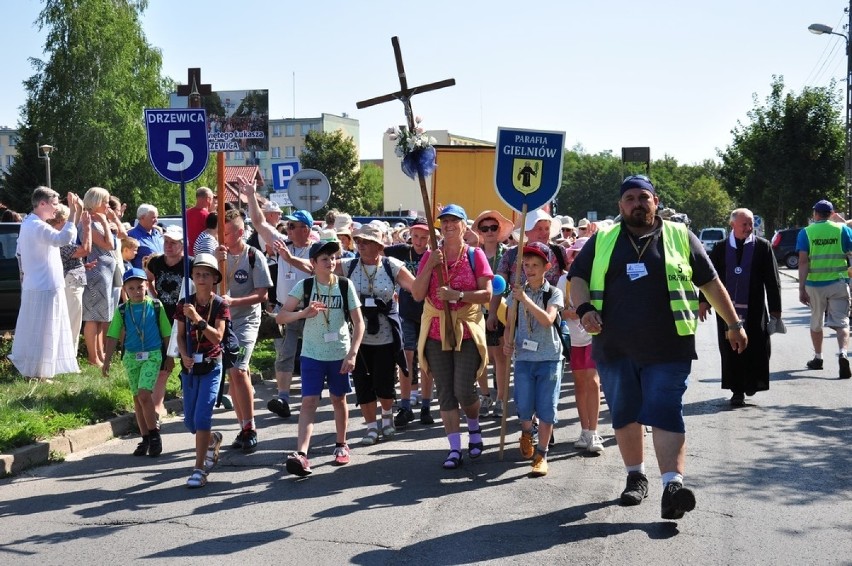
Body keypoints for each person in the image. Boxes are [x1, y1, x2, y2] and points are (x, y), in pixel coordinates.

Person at [568, 175, 747, 520]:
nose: (637, 203)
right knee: (626, 412)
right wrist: (586, 308)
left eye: (644, 197)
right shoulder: (603, 239)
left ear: (656, 201)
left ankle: (672, 487)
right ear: (621, 206)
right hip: (615, 346)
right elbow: (578, 277)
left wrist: (734, 323)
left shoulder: (681, 236)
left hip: (670, 346)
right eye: (630, 198)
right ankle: (635, 476)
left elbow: (710, 282)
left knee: (666, 408)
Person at [412, 204, 493, 469]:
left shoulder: (475, 254)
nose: (448, 225)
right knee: (445, 392)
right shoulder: (430, 255)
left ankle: (474, 427)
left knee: (463, 389)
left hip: (466, 329)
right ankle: (455, 449)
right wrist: (430, 265)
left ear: (463, 225)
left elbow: (487, 295)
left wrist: (458, 296)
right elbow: (416, 293)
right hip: (435, 330)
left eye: (454, 221)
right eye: (444, 221)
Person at [276, 239, 365, 476]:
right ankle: (302, 454)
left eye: (333, 257)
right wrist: (304, 313)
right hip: (312, 354)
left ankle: (341, 444)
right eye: (325, 259)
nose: (331, 262)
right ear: (313, 263)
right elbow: (281, 317)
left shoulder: (345, 286)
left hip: (339, 354)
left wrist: (352, 353)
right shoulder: (304, 286)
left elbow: (359, 323)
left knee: (339, 399)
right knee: (309, 402)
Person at [240, 178, 315, 420]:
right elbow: (260, 223)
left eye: (293, 227)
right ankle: (283, 397)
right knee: (284, 353)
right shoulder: (283, 243)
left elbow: (314, 268)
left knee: (314, 353)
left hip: (313, 309)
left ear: (306, 229)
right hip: (286, 309)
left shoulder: (318, 247)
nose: (288, 230)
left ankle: (310, 394)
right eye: (288, 226)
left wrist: (290, 259)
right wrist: (252, 196)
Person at [338, 224, 416, 445]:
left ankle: (387, 417)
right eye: (358, 241)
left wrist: (431, 265)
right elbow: (317, 267)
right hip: (357, 338)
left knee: (384, 383)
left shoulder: (392, 266)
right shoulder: (348, 265)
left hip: (386, 336)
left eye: (366, 241)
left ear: (378, 245)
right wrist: (288, 257)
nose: (360, 245)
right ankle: (371, 428)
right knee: (362, 384)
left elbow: (417, 288)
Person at [489, 208, 568, 419]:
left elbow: (566, 281)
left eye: (547, 228)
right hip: (519, 314)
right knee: (516, 363)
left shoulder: (558, 252)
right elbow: (499, 285)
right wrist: (493, 312)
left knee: (547, 376)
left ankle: (543, 423)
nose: (544, 232)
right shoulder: (511, 254)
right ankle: (510, 405)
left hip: (549, 314)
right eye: (539, 228)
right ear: (527, 231)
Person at [699, 208, 782, 405]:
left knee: (758, 347)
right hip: (726, 311)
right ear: (733, 225)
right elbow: (708, 277)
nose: (749, 228)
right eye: (744, 224)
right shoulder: (720, 248)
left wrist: (775, 310)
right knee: (730, 349)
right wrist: (703, 301)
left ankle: (752, 382)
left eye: (751, 224)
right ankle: (737, 390)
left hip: (754, 310)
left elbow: (772, 280)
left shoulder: (763, 247)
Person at [503, 242, 565, 476]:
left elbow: (548, 320)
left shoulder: (554, 292)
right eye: (526, 265)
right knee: (524, 405)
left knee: (547, 408)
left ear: (546, 267)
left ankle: (542, 454)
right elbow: (510, 323)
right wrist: (508, 341)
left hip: (549, 358)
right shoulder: (516, 293)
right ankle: (527, 432)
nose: (529, 269)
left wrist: (525, 299)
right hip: (524, 358)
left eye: (535, 265)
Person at [10, 188, 83, 379]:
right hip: (43, 286)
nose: (57, 208)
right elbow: (63, 239)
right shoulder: (37, 226)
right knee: (43, 331)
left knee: (40, 330)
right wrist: (75, 212)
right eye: (55, 203)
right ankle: (38, 373)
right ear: (42, 204)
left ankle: (39, 371)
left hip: (39, 284)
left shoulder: (31, 223)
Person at [217, 208, 273, 452]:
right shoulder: (217, 254)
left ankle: (250, 428)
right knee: (234, 374)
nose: (223, 237)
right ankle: (243, 426)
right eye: (221, 232)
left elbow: (262, 294)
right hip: (222, 322)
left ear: (239, 233)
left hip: (246, 321)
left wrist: (234, 302)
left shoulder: (253, 256)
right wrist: (213, 261)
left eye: (227, 233)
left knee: (238, 370)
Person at [102, 268, 172, 456]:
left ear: (147, 286)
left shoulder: (156, 306)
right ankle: (145, 438)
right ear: (125, 289)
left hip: (153, 354)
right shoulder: (123, 310)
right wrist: (106, 360)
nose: (136, 292)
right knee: (137, 399)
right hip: (131, 357)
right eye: (131, 288)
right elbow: (112, 335)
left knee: (143, 394)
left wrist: (170, 357)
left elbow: (167, 332)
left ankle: (154, 434)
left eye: (140, 287)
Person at [174, 254, 229, 488]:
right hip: (190, 368)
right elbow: (179, 335)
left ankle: (199, 469)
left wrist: (197, 319)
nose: (201, 278)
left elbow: (217, 337)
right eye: (197, 274)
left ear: (215, 278)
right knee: (191, 423)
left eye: (206, 274)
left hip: (211, 365)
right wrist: (184, 355)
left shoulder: (220, 305)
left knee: (203, 416)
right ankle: (211, 440)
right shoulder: (185, 303)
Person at [384, 217, 435, 426]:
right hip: (405, 311)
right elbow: (378, 252)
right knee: (406, 358)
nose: (419, 241)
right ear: (410, 235)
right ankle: (405, 405)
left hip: (429, 312)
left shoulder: (434, 255)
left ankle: (425, 405)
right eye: (416, 236)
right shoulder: (400, 252)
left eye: (424, 237)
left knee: (426, 361)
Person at [557, 237, 605, 454]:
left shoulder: (600, 277)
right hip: (573, 339)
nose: (577, 258)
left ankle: (593, 431)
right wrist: (570, 313)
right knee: (579, 384)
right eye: (574, 254)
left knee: (593, 381)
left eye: (581, 254)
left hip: (596, 336)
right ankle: (584, 430)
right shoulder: (562, 280)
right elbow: (559, 310)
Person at [797, 199, 852, 379]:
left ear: (815, 214)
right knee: (842, 321)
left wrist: (801, 288)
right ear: (831, 213)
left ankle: (818, 358)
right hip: (838, 283)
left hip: (815, 285)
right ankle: (843, 353)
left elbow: (803, 262)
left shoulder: (806, 232)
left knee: (816, 322)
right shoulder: (842, 230)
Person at [145, 225, 192, 416]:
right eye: (166, 242)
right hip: (163, 319)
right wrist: (154, 297)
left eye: (173, 243)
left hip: (185, 319)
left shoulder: (190, 263)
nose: (168, 246)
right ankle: (157, 407)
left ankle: (190, 401)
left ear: (182, 245)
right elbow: (148, 279)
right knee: (163, 365)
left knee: (188, 363)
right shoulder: (156, 263)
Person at [474, 209, 514, 418]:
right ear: (480, 231)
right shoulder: (473, 253)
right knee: (480, 356)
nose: (489, 231)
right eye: (485, 228)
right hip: (476, 310)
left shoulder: (508, 253)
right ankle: (485, 395)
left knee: (500, 357)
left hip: (502, 311)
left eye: (493, 227)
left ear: (499, 230)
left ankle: (501, 399)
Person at [48, 203, 91, 358]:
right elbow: (85, 249)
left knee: (70, 321)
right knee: (72, 322)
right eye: (68, 220)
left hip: (70, 281)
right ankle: (68, 359)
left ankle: (67, 358)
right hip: (70, 283)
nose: (71, 224)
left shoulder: (54, 237)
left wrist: (82, 266)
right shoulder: (61, 240)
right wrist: (87, 228)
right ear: (60, 221)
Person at [81, 187, 117, 368]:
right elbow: (109, 245)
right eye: (105, 201)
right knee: (92, 316)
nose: (107, 205)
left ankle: (100, 353)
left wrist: (107, 222)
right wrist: (105, 223)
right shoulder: (88, 221)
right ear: (95, 202)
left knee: (101, 316)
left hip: (105, 272)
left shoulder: (97, 220)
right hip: (95, 273)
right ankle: (93, 356)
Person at [127, 204, 163, 269]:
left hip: (162, 276)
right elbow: (127, 260)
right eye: (153, 217)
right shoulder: (131, 235)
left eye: (157, 217)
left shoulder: (158, 234)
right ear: (142, 217)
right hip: (143, 277)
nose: (156, 220)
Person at [186, 187, 213, 252]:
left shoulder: (186, 213)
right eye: (212, 199)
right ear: (208, 199)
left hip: (188, 252)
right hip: (203, 252)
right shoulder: (208, 216)